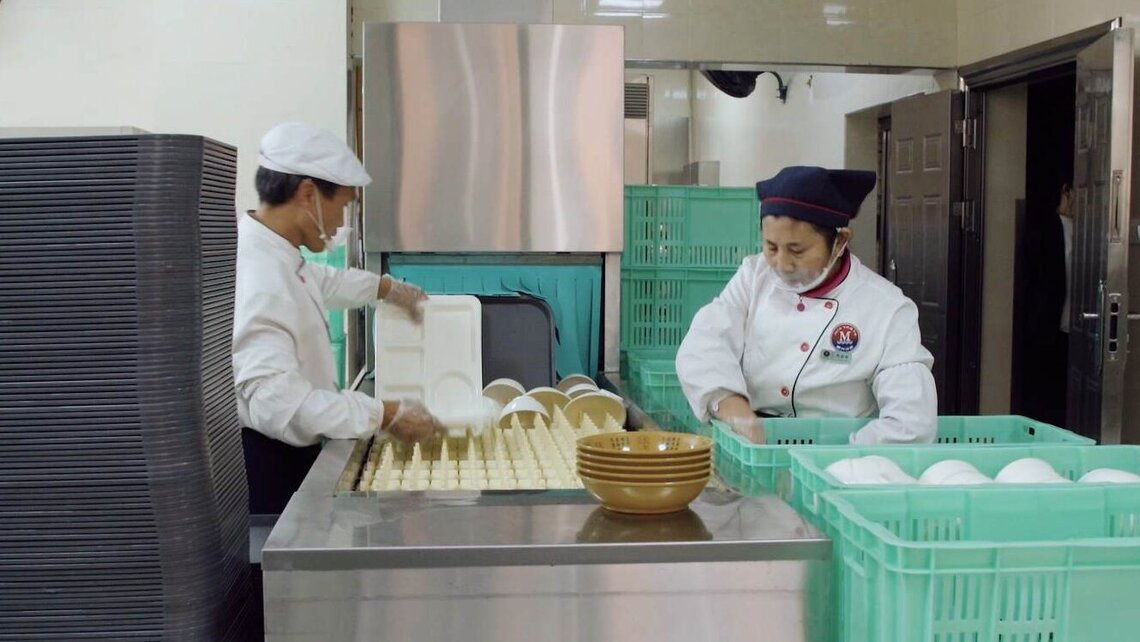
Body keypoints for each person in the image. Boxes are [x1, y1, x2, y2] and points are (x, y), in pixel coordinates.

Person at [233, 122, 443, 512]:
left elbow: (320, 282)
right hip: (272, 465)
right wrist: (384, 413)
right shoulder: (257, 272)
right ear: (308, 194)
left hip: (290, 450)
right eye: (342, 206)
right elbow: (276, 404)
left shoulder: (276, 251)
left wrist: (385, 288)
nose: (339, 223)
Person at [675, 166, 937, 445]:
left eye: (797, 250)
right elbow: (705, 342)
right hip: (751, 445)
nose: (781, 264)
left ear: (840, 240)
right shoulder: (754, 276)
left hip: (839, 456)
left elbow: (912, 422)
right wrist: (732, 408)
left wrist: (836, 462)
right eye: (771, 247)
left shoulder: (886, 308)